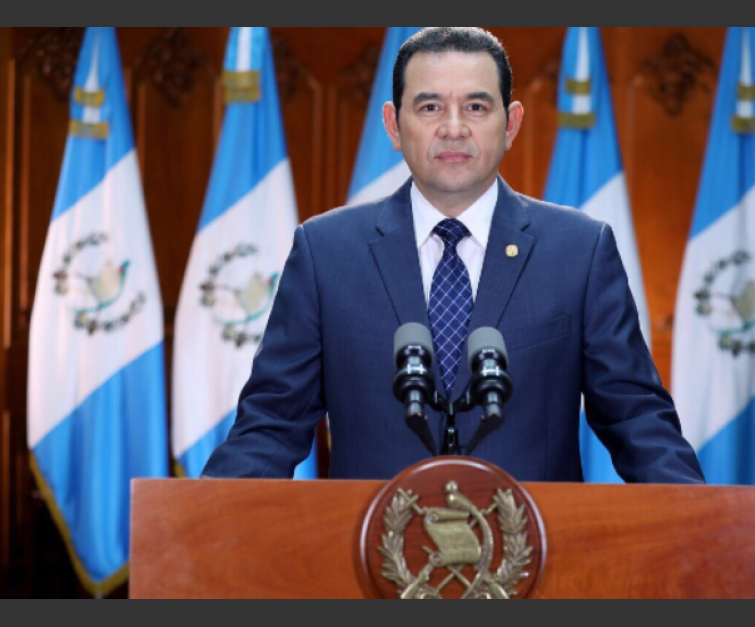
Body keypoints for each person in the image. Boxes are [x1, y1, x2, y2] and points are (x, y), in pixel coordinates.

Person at [203, 27, 704, 484]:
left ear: (511, 123)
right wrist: (200, 524)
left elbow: (638, 419)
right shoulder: (327, 253)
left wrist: (703, 524)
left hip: (532, 548)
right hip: (371, 548)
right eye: (429, 107)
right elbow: (270, 425)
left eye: (477, 107)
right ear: (393, 125)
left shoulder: (579, 251)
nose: (454, 127)